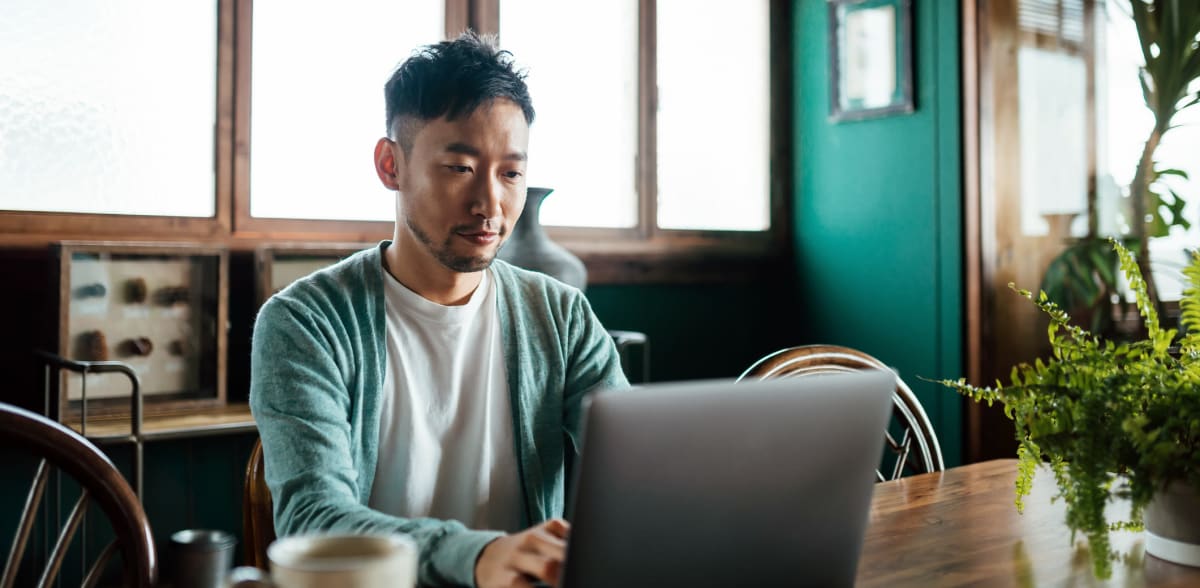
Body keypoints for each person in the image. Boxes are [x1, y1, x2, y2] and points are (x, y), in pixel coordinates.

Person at [249, 31, 629, 588]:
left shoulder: (561, 316)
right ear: (390, 166)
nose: (491, 205)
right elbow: (315, 520)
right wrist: (479, 557)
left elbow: (637, 474)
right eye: (459, 167)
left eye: (511, 173)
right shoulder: (305, 322)